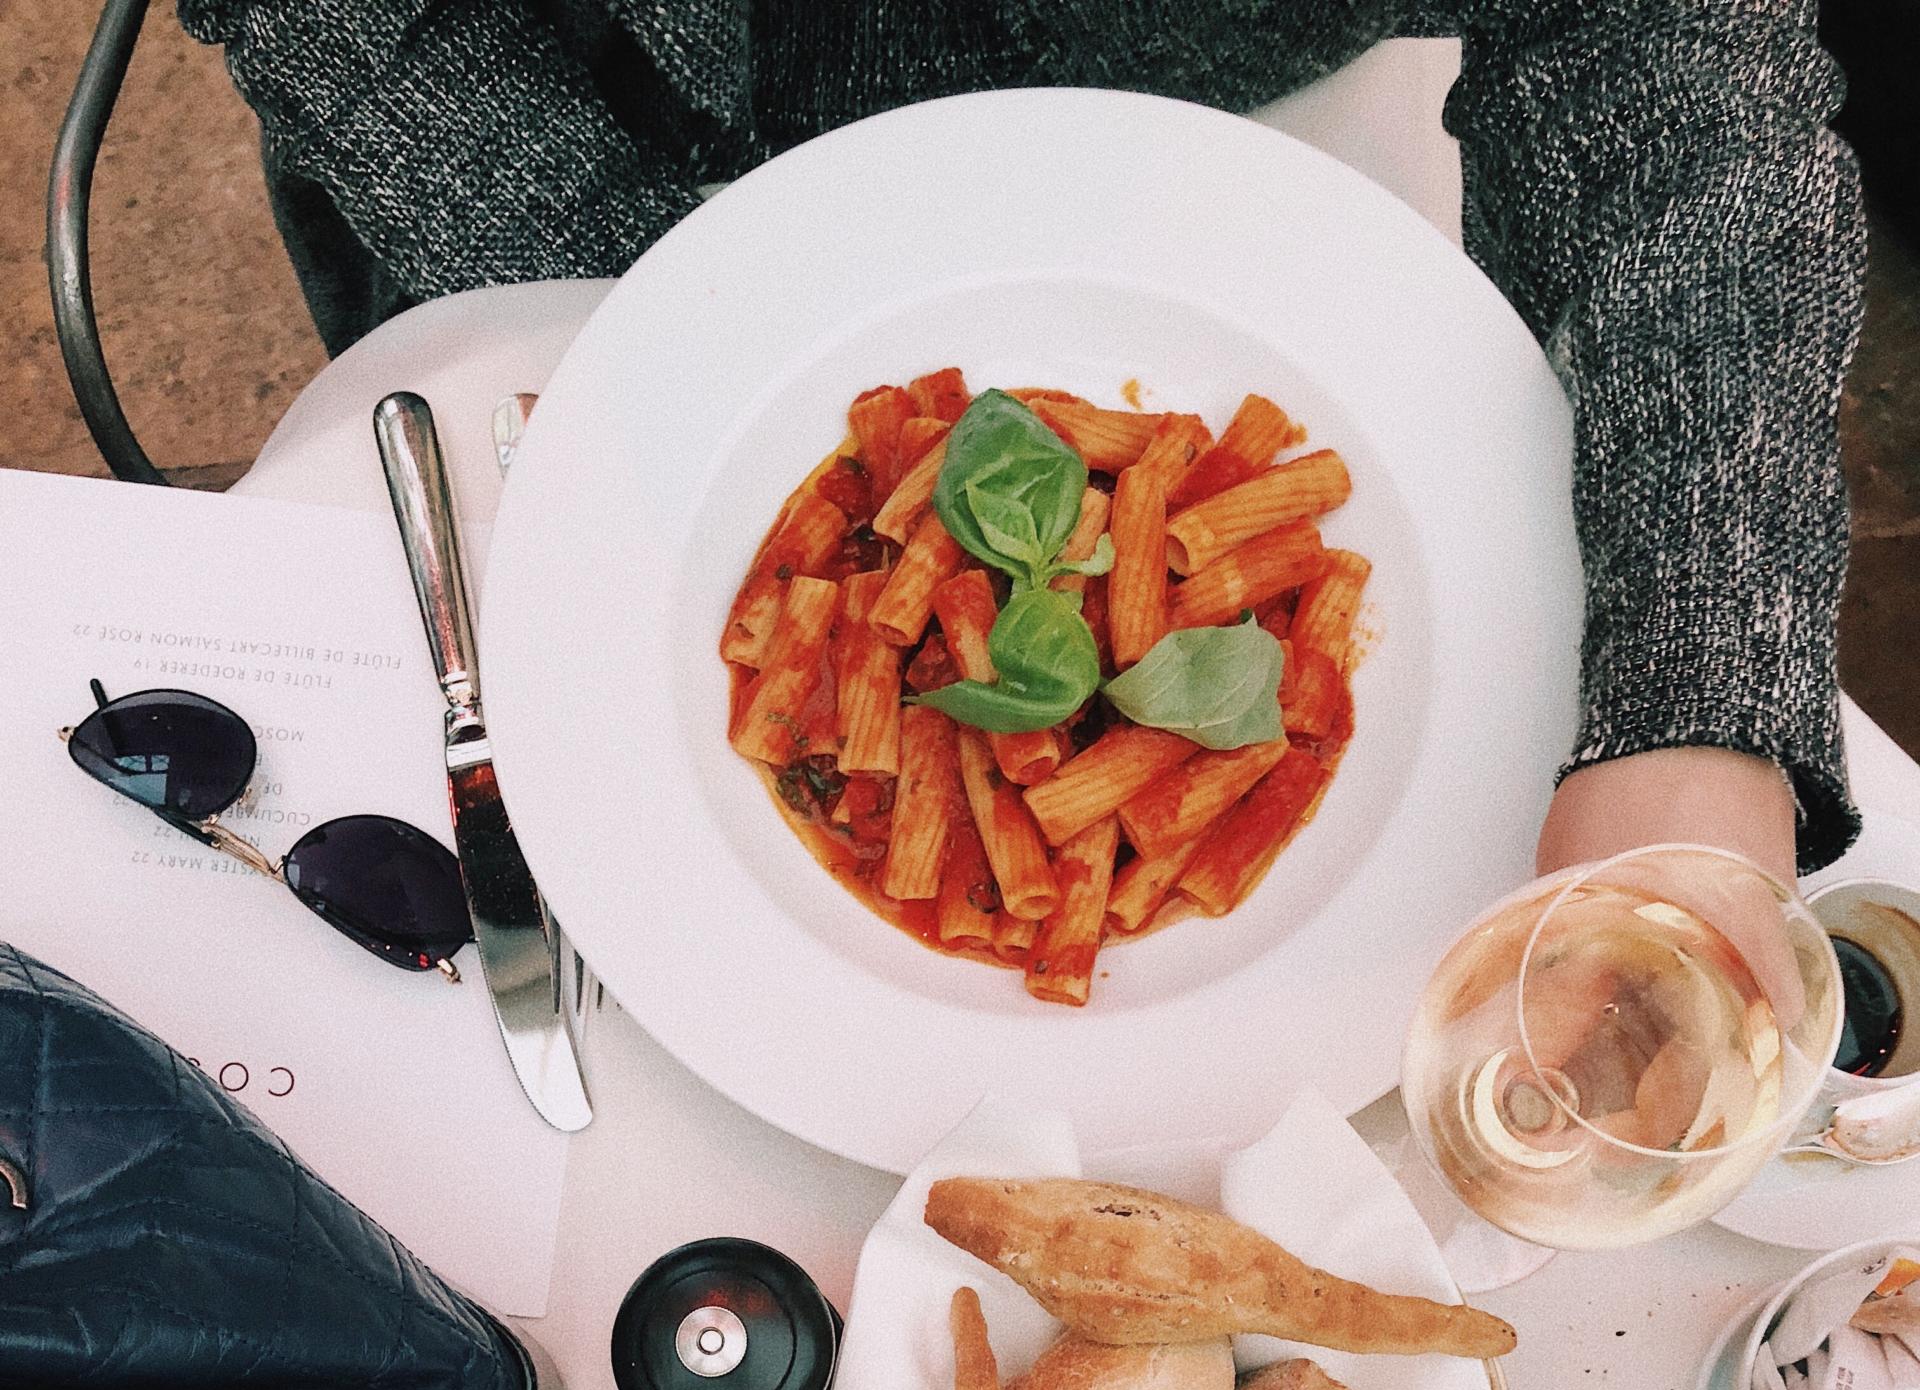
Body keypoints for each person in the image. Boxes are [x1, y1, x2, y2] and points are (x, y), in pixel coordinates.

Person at [180, 0, 1865, 893]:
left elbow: (1674, 61)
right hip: (578, 138)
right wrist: (646, 296)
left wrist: (1700, 715)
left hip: (1200, 142)